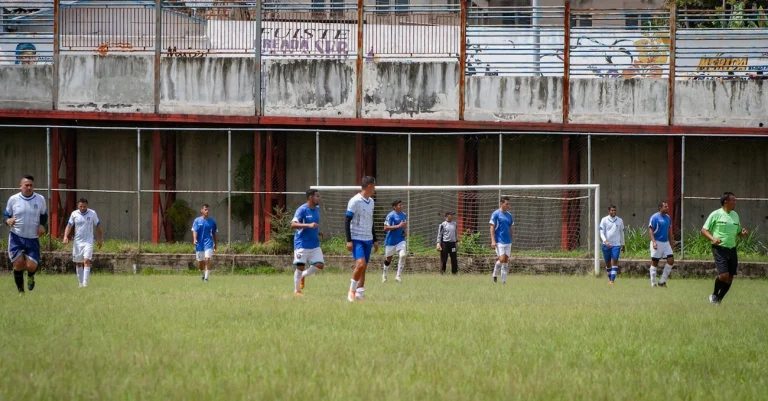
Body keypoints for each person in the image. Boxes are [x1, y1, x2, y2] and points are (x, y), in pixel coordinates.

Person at [701, 192, 748, 304]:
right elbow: (703, 230)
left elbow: (738, 232)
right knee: (723, 275)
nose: (735, 203)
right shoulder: (716, 214)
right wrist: (713, 239)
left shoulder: (735, 215)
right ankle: (714, 295)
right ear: (726, 202)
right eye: (733, 200)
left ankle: (718, 300)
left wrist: (743, 233)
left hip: (732, 249)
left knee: (730, 277)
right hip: (719, 249)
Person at [3, 175, 47, 294]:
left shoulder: (40, 199)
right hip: (16, 237)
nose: (28, 187)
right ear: (20, 186)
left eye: (31, 185)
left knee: (31, 266)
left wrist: (42, 225)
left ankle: (31, 276)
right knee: (18, 264)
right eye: (26, 185)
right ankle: (21, 292)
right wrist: (8, 220)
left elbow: (44, 215)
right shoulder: (13, 199)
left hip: (32, 238)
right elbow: (6, 215)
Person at [345, 176, 378, 302]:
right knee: (360, 264)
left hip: (368, 239)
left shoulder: (371, 202)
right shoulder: (355, 201)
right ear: (369, 186)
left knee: (364, 267)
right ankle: (351, 291)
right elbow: (347, 220)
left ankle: (359, 294)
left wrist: (374, 239)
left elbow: (371, 221)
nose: (375, 189)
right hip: (356, 238)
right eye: (374, 186)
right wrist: (349, 240)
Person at [291, 189, 325, 295]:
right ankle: (297, 291)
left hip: (314, 244)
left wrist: (318, 232)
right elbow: (293, 225)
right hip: (302, 243)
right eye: (317, 196)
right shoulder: (302, 210)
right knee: (300, 267)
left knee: (320, 265)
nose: (319, 198)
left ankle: (303, 276)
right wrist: (308, 225)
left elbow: (313, 224)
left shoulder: (317, 209)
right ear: (311, 197)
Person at [63, 198, 103, 288]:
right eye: (81, 206)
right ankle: (80, 283)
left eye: (84, 206)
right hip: (77, 242)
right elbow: (69, 226)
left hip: (88, 241)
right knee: (78, 262)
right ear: (78, 206)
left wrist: (100, 239)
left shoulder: (92, 213)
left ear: (87, 206)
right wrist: (65, 236)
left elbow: (98, 225)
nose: (82, 208)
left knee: (86, 260)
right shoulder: (74, 214)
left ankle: (85, 283)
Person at [648, 201, 675, 288]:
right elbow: (650, 230)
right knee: (655, 262)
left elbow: (669, 231)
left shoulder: (668, 218)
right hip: (657, 242)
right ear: (660, 208)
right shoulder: (654, 217)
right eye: (665, 207)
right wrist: (654, 242)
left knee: (671, 260)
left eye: (667, 207)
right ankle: (653, 283)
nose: (667, 208)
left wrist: (672, 242)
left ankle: (662, 281)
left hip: (666, 243)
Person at [489, 197, 514, 284]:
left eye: (508, 204)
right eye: (506, 204)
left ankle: (503, 281)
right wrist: (493, 240)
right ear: (501, 204)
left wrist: (511, 240)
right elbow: (492, 227)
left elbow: (510, 228)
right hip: (499, 240)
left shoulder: (509, 215)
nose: (508, 206)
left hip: (508, 242)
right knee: (502, 259)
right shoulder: (496, 214)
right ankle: (494, 274)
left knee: (506, 261)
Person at [599, 205, 625, 284]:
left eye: (614, 210)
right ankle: (610, 278)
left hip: (616, 245)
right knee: (607, 263)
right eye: (612, 210)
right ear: (609, 211)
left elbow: (622, 233)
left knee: (614, 260)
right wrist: (605, 241)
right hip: (606, 245)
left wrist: (623, 244)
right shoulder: (604, 220)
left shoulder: (620, 220)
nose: (613, 212)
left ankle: (612, 280)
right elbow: (601, 232)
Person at [192, 204, 217, 282]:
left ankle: (206, 279)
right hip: (199, 244)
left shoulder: (212, 221)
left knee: (207, 259)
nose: (207, 211)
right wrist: (195, 239)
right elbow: (194, 230)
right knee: (200, 263)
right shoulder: (197, 220)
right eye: (205, 209)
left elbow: (214, 233)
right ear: (201, 210)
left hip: (208, 243)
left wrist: (215, 243)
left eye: (208, 210)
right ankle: (203, 275)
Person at [382, 200, 407, 284]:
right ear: (394, 207)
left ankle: (398, 276)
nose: (401, 206)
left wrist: (404, 231)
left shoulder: (404, 215)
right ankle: (384, 274)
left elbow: (403, 226)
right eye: (399, 205)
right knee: (389, 259)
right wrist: (398, 226)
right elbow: (385, 228)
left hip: (400, 240)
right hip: (391, 241)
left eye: (401, 205)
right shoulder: (390, 215)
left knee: (402, 255)